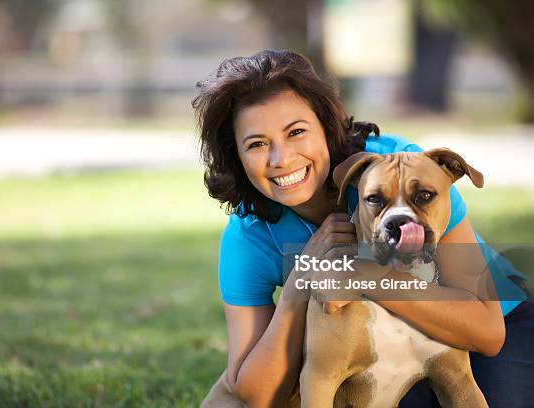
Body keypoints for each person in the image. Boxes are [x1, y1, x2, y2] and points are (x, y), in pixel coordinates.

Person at [193, 49, 531, 407]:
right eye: (257, 144)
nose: (282, 159)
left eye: (296, 132)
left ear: (326, 126)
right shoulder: (249, 233)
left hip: (495, 318)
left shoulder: (404, 169)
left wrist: (362, 275)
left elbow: (489, 332)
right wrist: (303, 279)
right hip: (386, 346)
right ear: (237, 155)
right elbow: (254, 395)